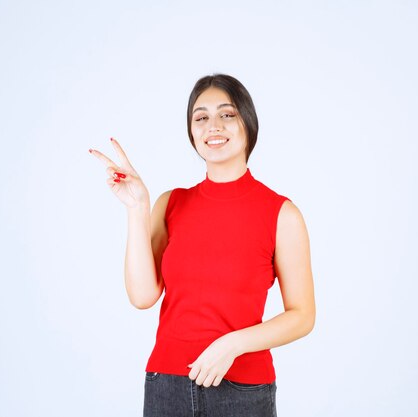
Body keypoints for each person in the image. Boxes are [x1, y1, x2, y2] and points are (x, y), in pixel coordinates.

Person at [89, 73, 315, 417]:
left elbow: (303, 316)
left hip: (242, 391)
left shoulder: (282, 214)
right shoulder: (170, 203)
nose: (213, 126)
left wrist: (233, 345)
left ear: (248, 123)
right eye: (201, 117)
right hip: (167, 385)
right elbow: (142, 296)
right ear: (192, 131)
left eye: (227, 114)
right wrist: (137, 207)